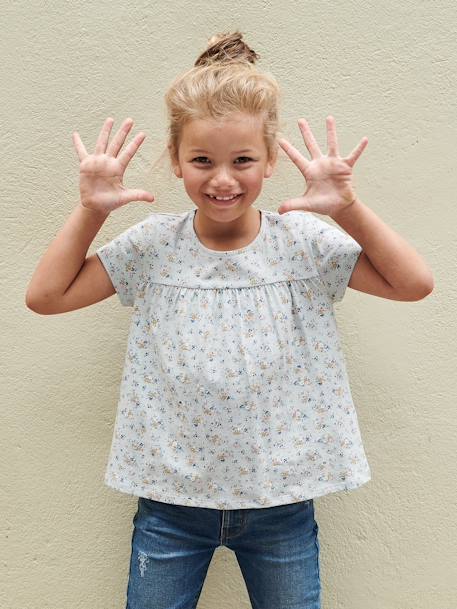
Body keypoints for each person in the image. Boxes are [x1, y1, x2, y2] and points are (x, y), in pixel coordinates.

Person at [25, 30, 434, 609]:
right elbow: (45, 296)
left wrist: (348, 208)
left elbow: (414, 283)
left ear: (269, 162)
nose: (222, 179)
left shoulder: (304, 243)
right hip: (170, 503)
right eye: (202, 161)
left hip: (282, 502)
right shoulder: (152, 247)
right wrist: (90, 210)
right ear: (175, 161)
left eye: (242, 160)